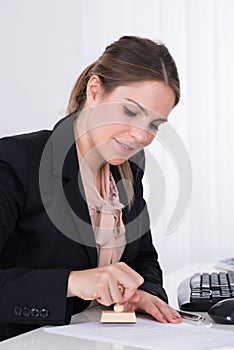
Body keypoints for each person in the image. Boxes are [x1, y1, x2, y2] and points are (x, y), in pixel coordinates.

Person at [0, 35, 182, 342]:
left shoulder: (129, 168)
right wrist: (72, 283)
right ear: (95, 91)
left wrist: (144, 295)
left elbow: (144, 258)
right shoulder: (16, 162)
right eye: (130, 112)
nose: (140, 135)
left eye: (154, 125)